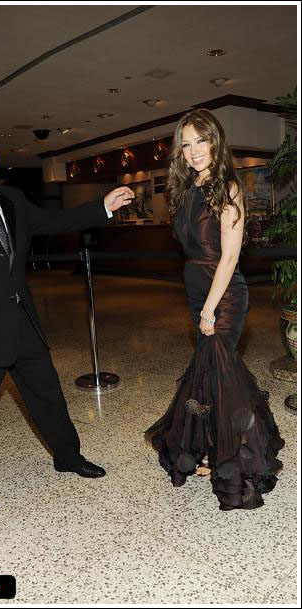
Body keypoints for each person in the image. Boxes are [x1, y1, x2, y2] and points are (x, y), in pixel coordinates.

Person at [0, 117, 133, 513]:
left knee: (48, 395)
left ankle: (67, 457)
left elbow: (54, 221)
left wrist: (102, 207)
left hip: (22, 321)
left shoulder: (12, 199)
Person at [145, 109, 284, 511]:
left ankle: (238, 460)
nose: (193, 151)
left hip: (223, 296)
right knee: (209, 374)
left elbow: (229, 257)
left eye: (200, 141)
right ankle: (212, 449)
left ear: (216, 141)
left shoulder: (228, 188)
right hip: (197, 289)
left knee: (223, 376)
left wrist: (209, 309)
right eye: (186, 144)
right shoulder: (186, 189)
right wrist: (199, 302)